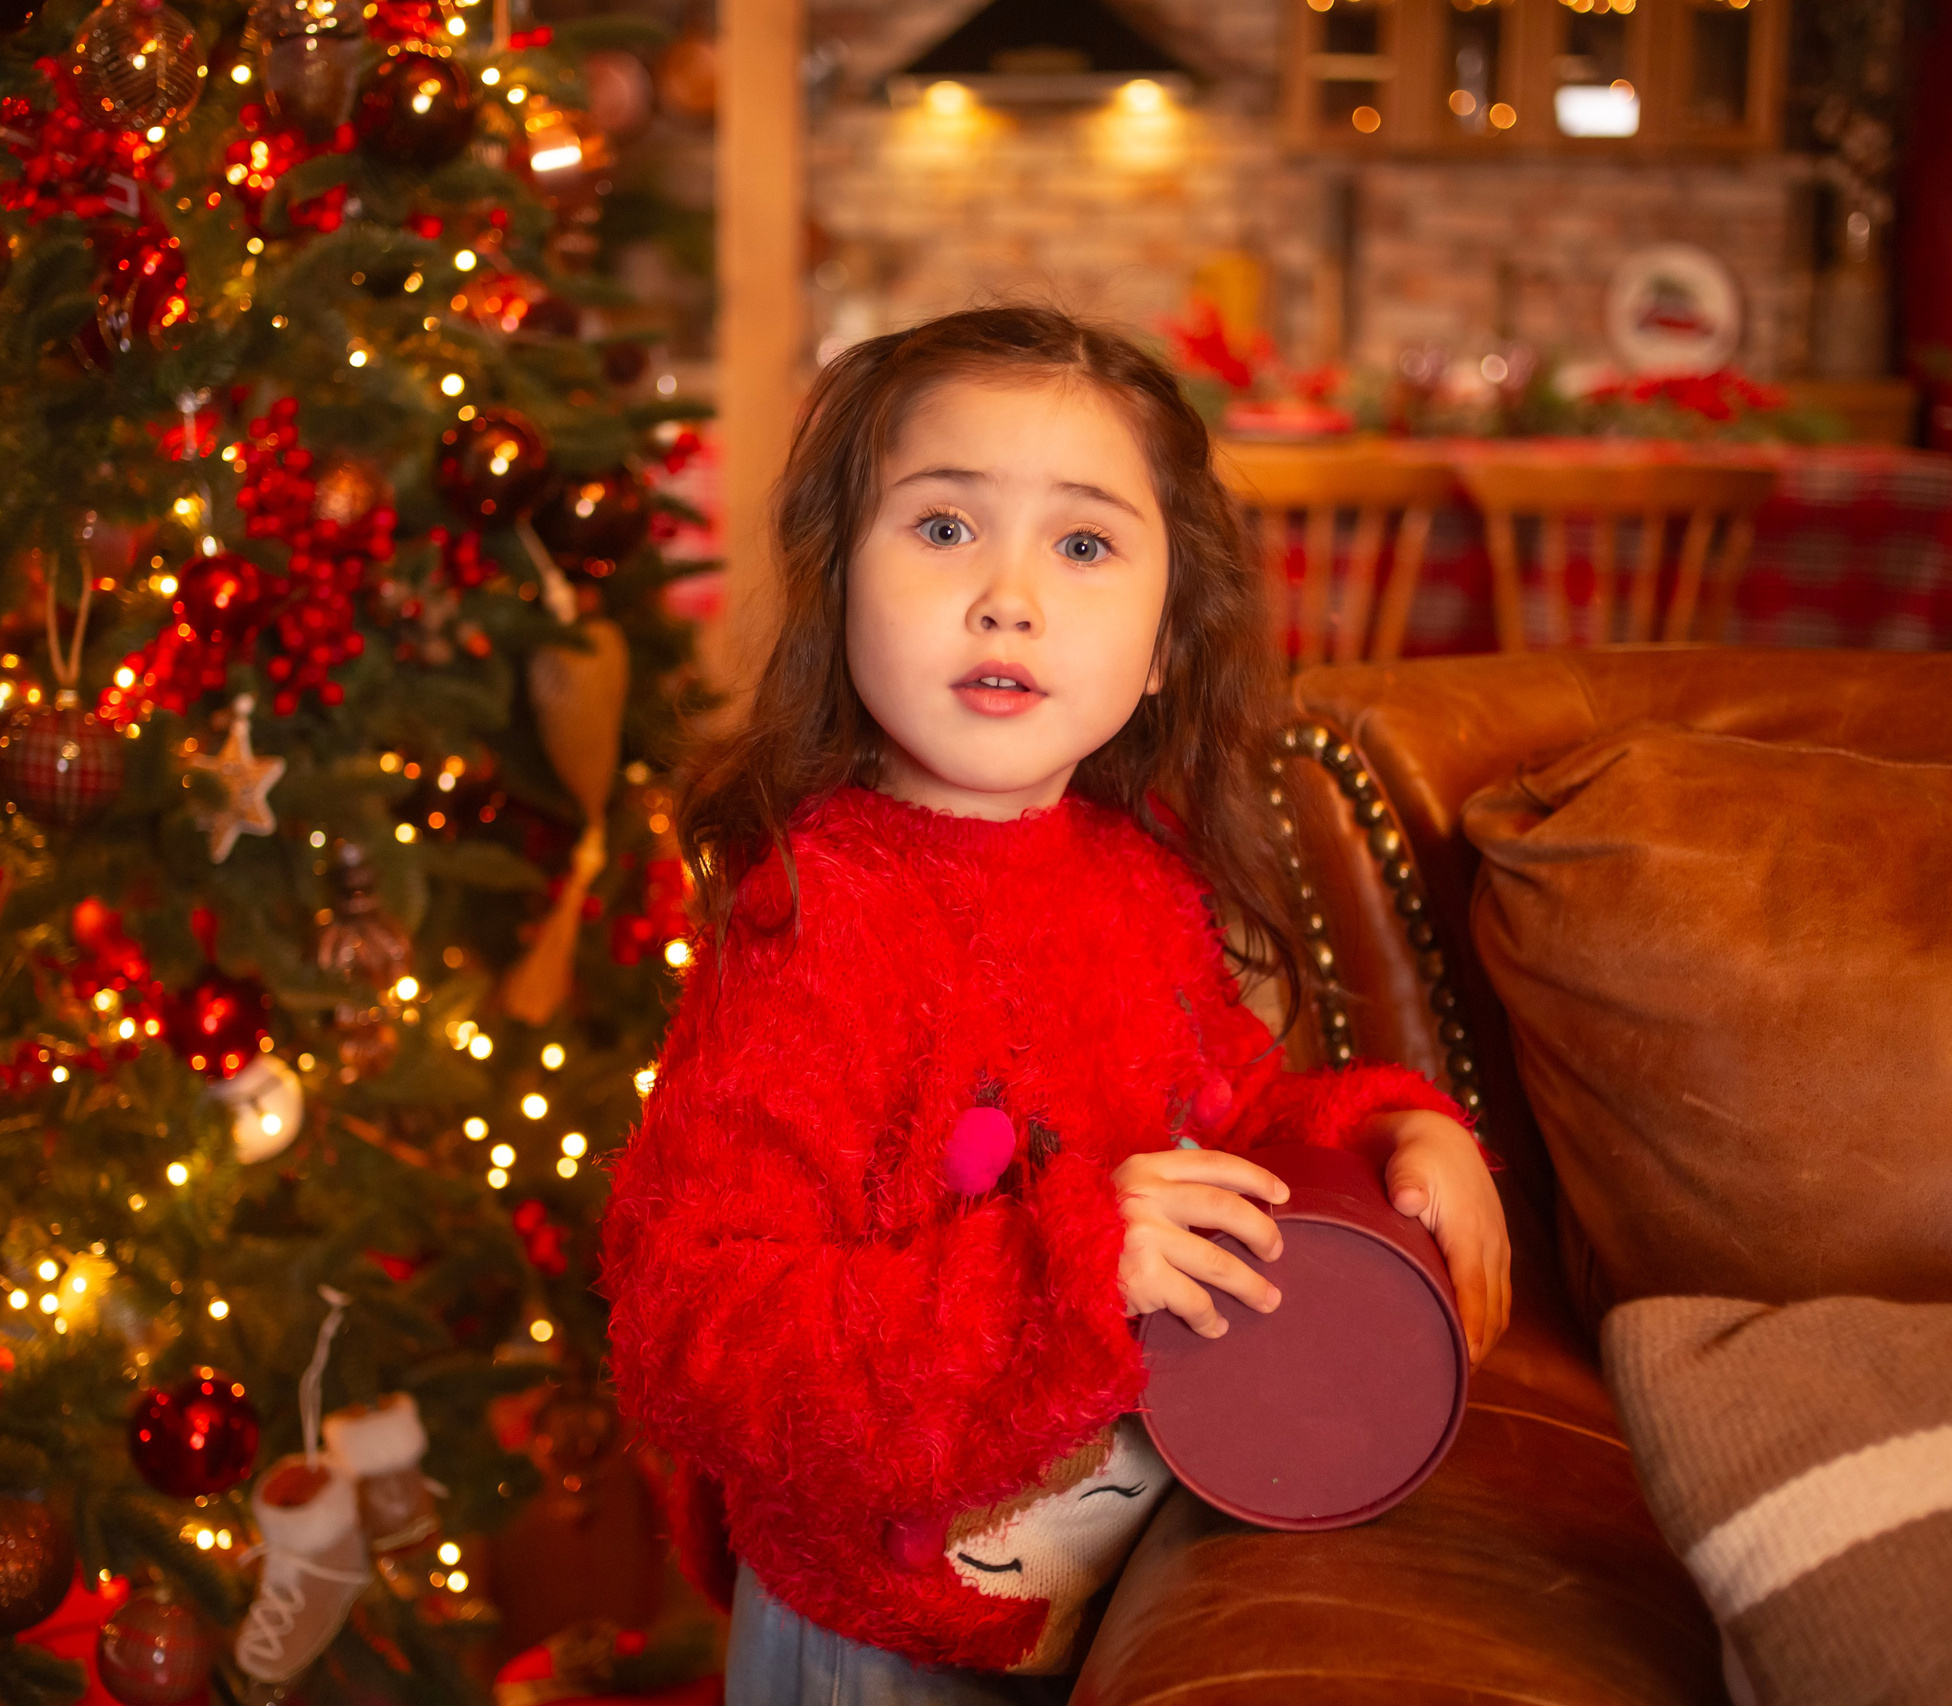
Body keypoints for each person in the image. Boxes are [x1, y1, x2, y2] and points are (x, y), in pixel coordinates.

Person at [599, 306, 1510, 1704]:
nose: (1008, 595)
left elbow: (1236, 1126)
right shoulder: (812, 922)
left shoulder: (1133, 874)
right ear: (839, 580)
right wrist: (1069, 1268)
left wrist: (1389, 1131)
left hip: (1111, 1587)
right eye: (946, 527)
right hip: (881, 1626)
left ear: (1161, 646)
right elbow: (690, 1330)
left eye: (1083, 544)